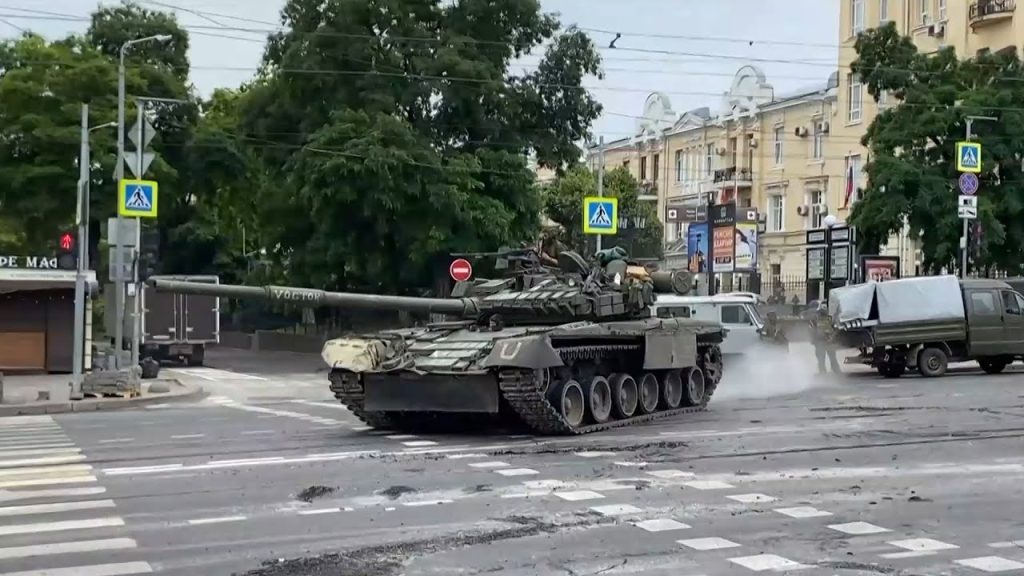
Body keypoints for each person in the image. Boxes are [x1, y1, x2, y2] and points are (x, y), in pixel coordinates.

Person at [811, 304, 841, 374]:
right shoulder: (816, 320)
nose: (821, 314)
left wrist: (832, 337)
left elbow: (836, 329)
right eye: (821, 312)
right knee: (822, 360)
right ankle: (825, 372)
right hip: (822, 342)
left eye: (822, 312)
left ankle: (835, 372)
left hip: (827, 342)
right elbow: (812, 331)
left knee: (831, 359)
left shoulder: (829, 319)